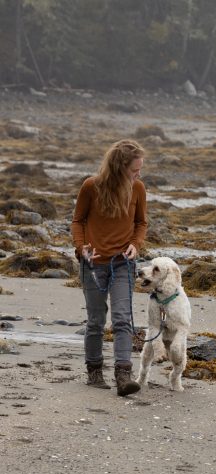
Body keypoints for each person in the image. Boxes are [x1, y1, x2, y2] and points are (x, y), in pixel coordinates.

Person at [71, 139, 148, 396]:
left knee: (122, 319)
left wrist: (136, 245)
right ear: (118, 167)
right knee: (95, 321)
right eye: (134, 169)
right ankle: (94, 371)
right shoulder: (91, 187)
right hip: (92, 264)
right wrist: (81, 247)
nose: (139, 174)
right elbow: (78, 221)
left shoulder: (137, 188)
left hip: (123, 264)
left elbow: (141, 224)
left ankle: (123, 376)